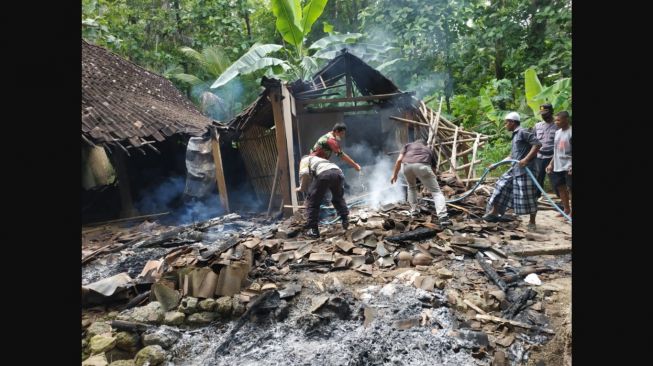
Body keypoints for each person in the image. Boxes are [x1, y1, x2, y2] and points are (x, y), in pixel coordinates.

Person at [483, 112, 542, 230]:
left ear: (512, 122)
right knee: (500, 185)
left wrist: (526, 159)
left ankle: (532, 222)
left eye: (506, 123)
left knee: (529, 196)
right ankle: (495, 213)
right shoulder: (515, 135)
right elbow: (512, 156)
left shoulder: (523, 132)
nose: (505, 125)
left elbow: (537, 144)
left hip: (527, 170)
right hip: (515, 169)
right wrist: (495, 165)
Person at [390, 138, 452, 226]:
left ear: (415, 143)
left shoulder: (408, 145)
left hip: (406, 166)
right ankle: (443, 217)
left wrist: (394, 174)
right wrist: (431, 179)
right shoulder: (428, 149)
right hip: (423, 166)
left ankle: (414, 211)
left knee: (411, 187)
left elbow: (399, 160)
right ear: (424, 144)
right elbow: (433, 169)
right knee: (436, 192)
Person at [296, 155, 349, 238]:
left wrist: (301, 188)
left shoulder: (304, 160)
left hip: (324, 174)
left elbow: (305, 174)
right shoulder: (319, 159)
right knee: (338, 198)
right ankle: (345, 220)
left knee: (312, 202)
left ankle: (313, 231)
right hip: (339, 173)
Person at [546, 111, 572, 217]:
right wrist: (551, 164)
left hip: (568, 165)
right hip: (558, 165)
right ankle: (566, 210)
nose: (556, 122)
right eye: (555, 120)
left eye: (558, 120)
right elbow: (556, 150)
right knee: (561, 187)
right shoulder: (558, 132)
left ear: (566, 120)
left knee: (571, 188)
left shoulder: (571, 132)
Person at [533, 103, 559, 199]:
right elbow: (533, 141)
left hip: (553, 156)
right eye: (542, 113)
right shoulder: (537, 126)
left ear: (551, 112)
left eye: (545, 113)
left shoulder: (557, 125)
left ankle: (561, 200)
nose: (543, 115)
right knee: (538, 178)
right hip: (540, 156)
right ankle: (536, 198)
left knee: (555, 179)